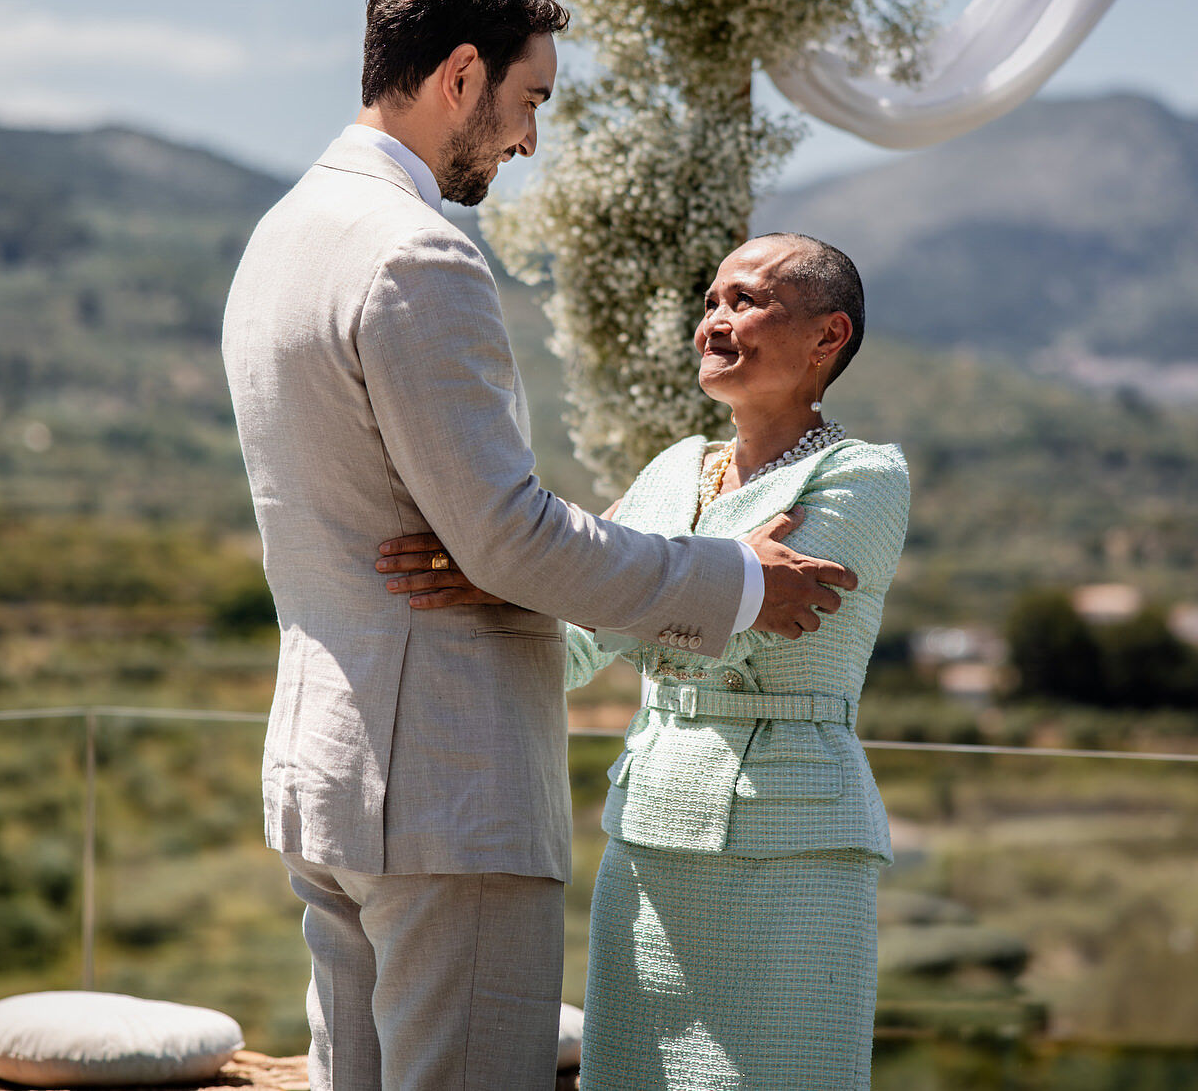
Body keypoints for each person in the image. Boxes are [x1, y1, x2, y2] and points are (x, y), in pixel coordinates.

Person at [221, 0, 858, 1091]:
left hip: (330, 774)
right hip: (445, 791)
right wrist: (742, 581)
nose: (527, 141)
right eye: (527, 103)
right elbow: (505, 539)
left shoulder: (281, 236)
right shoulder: (415, 254)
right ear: (460, 76)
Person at [385, 233, 907, 1089]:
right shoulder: (673, 469)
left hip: (795, 845)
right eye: (709, 304)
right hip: (653, 830)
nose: (714, 323)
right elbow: (588, 638)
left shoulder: (865, 478)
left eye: (744, 300)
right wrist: (492, 591)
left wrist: (555, 577)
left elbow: (751, 622)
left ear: (828, 336)